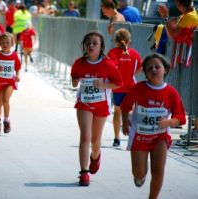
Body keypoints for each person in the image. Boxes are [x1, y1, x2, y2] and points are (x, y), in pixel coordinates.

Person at [120, 53, 186, 199]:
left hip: (160, 136)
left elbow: (181, 118)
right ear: (145, 72)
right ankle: (141, 173)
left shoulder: (171, 92)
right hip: (139, 135)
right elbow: (125, 106)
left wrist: (169, 122)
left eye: (157, 66)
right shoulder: (138, 88)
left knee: (158, 170)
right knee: (138, 173)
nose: (154, 70)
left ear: (165, 69)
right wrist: (125, 122)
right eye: (150, 68)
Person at [70, 31, 122, 186]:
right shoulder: (79, 63)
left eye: (94, 43)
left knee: (95, 140)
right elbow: (74, 82)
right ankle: (84, 173)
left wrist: (103, 85)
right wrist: (75, 80)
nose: (91, 45)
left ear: (101, 47)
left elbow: (118, 83)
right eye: (88, 43)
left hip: (101, 104)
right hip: (84, 103)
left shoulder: (107, 64)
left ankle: (95, 155)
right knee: (85, 136)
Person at [158, 0, 198, 139]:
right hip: (184, 59)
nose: (176, 7)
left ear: (181, 4)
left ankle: (195, 129)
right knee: (187, 93)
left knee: (191, 94)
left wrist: (166, 17)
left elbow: (173, 34)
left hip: (187, 59)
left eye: (177, 4)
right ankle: (191, 126)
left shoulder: (190, 17)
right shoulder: (187, 15)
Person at [107, 28, 142, 147]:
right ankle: (133, 137)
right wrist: (131, 74)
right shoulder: (135, 53)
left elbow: (111, 67)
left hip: (118, 87)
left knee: (117, 111)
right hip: (132, 86)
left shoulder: (112, 52)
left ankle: (116, 138)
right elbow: (140, 68)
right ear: (129, 41)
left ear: (116, 41)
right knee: (130, 111)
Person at [0, 32, 21, 134]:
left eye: (7, 42)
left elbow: (17, 67)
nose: (5, 44)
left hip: (9, 82)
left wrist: (18, 75)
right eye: (2, 42)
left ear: (12, 43)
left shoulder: (14, 55)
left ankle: (6, 121)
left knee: (5, 100)